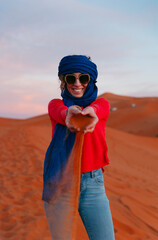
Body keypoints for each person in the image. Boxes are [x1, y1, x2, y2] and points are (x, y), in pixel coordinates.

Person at [42, 55, 115, 240]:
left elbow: (101, 107)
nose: (77, 83)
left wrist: (92, 113)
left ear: (90, 80)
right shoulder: (55, 105)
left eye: (83, 78)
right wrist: (68, 114)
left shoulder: (101, 105)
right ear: (63, 80)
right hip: (60, 183)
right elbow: (60, 112)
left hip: (92, 184)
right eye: (70, 78)